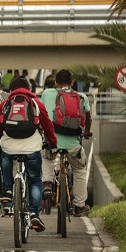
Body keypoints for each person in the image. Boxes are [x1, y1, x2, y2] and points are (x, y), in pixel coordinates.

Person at [0, 77, 57, 232]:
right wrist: (52, 142)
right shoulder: (35, 103)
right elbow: (47, 125)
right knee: (35, 179)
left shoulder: (5, 103)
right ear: (29, 89)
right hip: (31, 147)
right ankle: (34, 212)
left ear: (11, 90)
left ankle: (7, 189)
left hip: (9, 146)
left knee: (5, 157)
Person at [40, 69, 92, 217]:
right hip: (73, 145)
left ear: (56, 83)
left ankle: (48, 183)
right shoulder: (81, 97)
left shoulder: (47, 94)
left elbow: (42, 113)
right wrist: (86, 132)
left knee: (47, 156)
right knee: (79, 169)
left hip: (52, 141)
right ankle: (79, 205)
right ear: (72, 83)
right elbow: (88, 119)